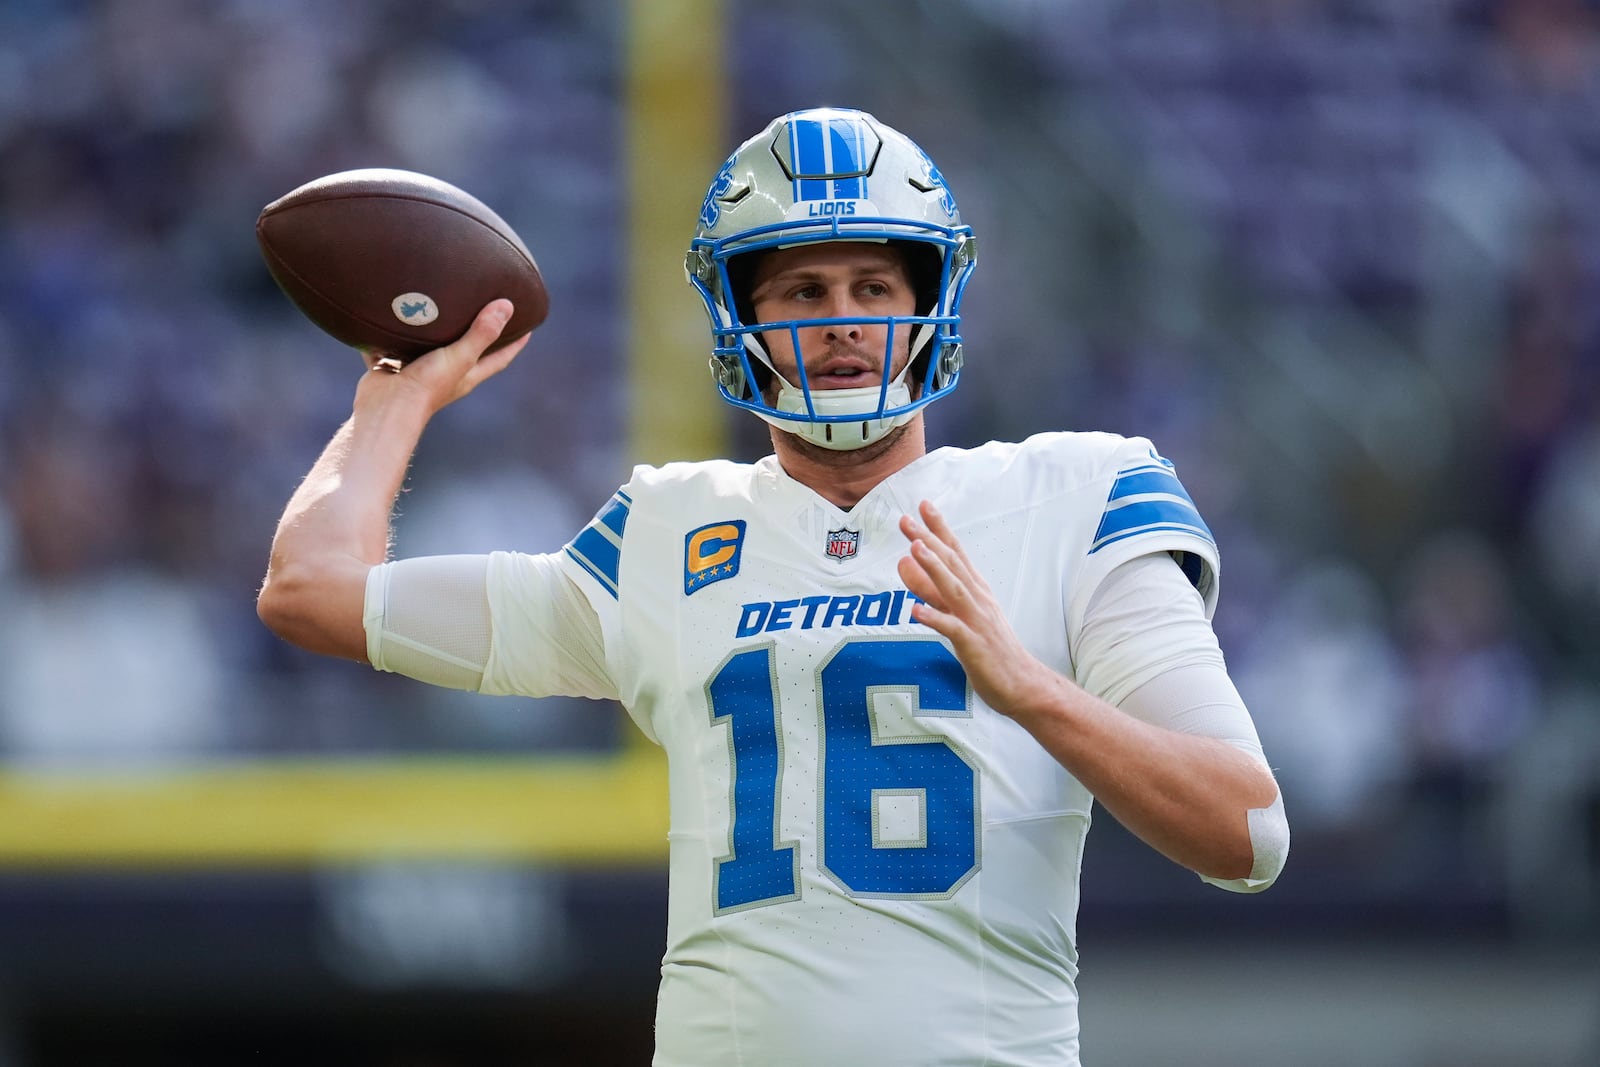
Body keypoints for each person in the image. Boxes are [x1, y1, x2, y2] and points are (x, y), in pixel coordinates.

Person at [258, 106, 1288, 1067]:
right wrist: (399, 387)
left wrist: (1027, 687)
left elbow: (1245, 832)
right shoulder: (665, 528)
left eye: (872, 288)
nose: (840, 321)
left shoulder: (1076, 492)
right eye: (802, 290)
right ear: (737, 312)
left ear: (928, 306)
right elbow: (309, 588)